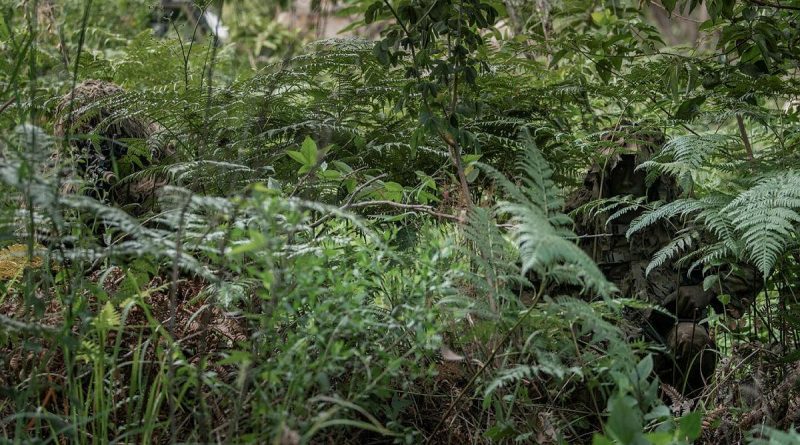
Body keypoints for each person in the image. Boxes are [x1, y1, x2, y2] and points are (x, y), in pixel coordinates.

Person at [565, 122, 758, 394]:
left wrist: (706, 290)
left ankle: (687, 418)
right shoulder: (578, 218)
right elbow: (530, 284)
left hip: (667, 336)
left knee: (693, 340)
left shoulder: (681, 214)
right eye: (620, 167)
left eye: (638, 167)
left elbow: (748, 263)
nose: (629, 177)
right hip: (597, 341)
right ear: (605, 170)